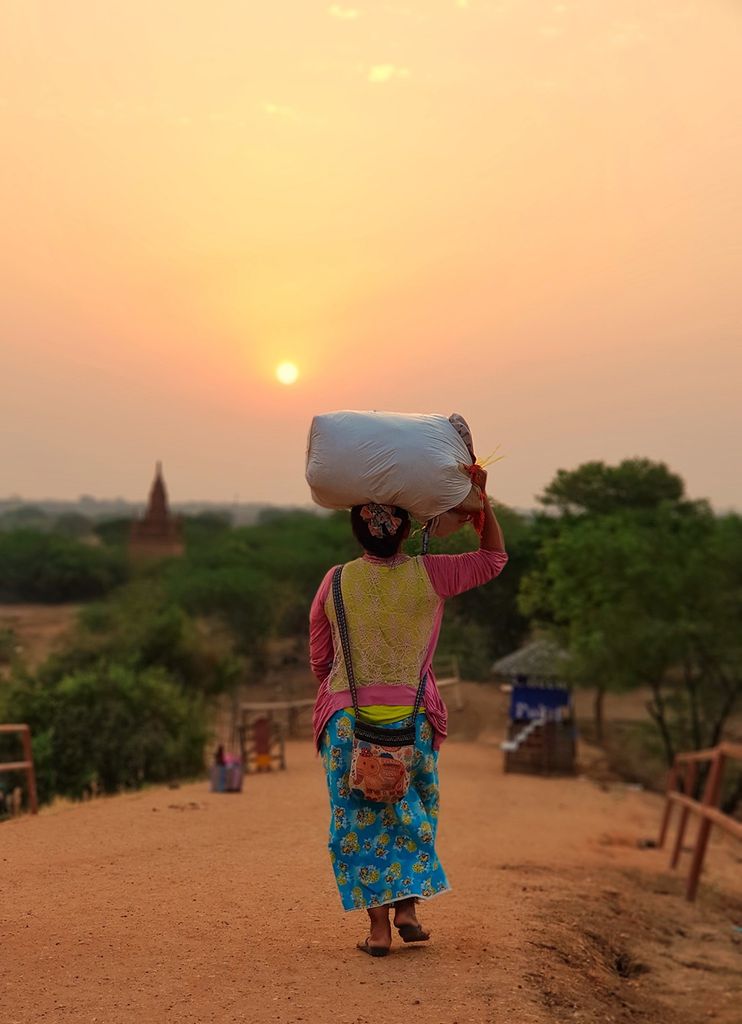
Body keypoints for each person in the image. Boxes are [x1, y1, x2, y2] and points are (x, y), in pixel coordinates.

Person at [309, 468, 507, 956]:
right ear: (406, 530)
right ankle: (408, 910)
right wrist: (481, 503)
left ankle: (377, 930)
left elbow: (320, 659)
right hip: (412, 721)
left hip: (347, 722)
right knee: (411, 810)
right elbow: (493, 558)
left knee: (355, 819)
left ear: (356, 531)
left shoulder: (334, 582)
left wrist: (349, 696)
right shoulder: (431, 573)